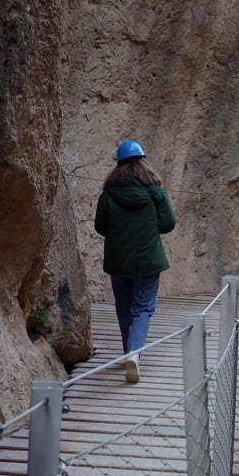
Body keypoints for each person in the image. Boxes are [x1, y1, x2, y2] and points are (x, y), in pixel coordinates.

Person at [94, 140, 176, 383]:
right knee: (142, 308)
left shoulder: (108, 194)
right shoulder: (155, 193)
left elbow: (100, 227)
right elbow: (167, 224)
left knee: (124, 307)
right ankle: (134, 353)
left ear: (117, 166)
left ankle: (129, 353)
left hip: (119, 261)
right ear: (142, 161)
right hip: (148, 260)